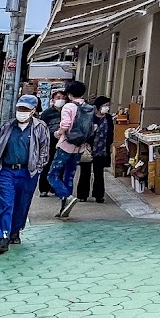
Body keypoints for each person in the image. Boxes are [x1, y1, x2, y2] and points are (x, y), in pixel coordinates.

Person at [0, 95, 50, 255]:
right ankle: (2, 236)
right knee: (5, 202)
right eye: (19, 109)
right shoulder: (7, 126)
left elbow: (44, 149)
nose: (21, 112)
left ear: (33, 111)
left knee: (22, 203)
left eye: (25, 109)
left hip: (28, 172)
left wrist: (38, 167)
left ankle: (15, 230)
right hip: (7, 171)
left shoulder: (40, 127)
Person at [46, 81, 91, 219]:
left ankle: (67, 197)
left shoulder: (69, 107)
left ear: (69, 94)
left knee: (52, 174)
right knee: (69, 176)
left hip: (66, 144)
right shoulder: (89, 107)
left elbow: (65, 124)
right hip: (80, 146)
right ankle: (64, 209)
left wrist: (58, 133)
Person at [76, 96, 114, 204]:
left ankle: (99, 195)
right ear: (98, 106)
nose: (106, 108)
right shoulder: (90, 117)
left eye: (108, 105)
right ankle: (82, 195)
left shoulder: (109, 118)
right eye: (104, 105)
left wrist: (110, 145)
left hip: (102, 149)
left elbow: (111, 134)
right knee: (85, 172)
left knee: (99, 173)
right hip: (88, 148)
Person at [39, 90, 67, 197]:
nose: (60, 100)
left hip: (63, 143)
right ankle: (43, 188)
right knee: (47, 165)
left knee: (60, 167)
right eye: (58, 98)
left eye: (63, 98)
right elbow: (42, 129)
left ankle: (55, 188)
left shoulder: (66, 112)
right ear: (53, 100)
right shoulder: (47, 113)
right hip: (49, 143)